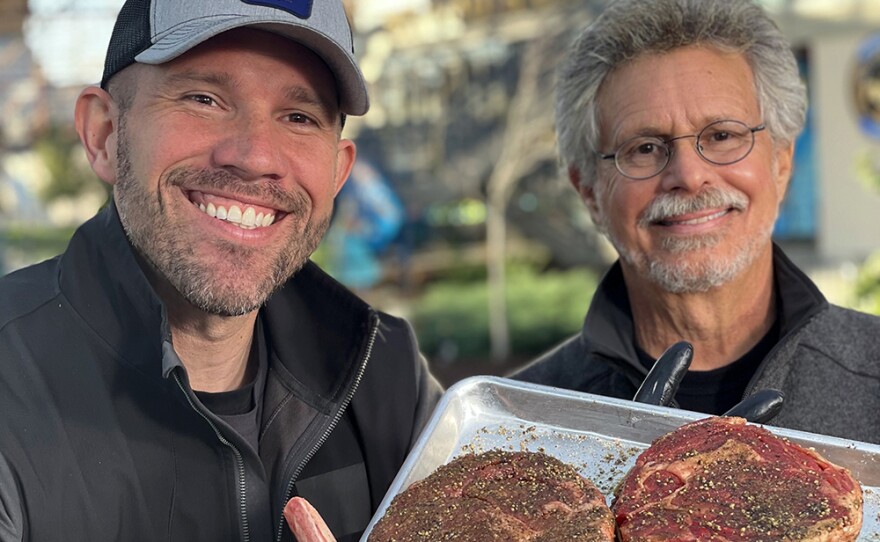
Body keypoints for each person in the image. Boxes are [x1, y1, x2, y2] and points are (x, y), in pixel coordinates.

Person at [0, 1, 442, 541]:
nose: (255, 155)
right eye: (204, 99)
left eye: (298, 117)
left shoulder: (384, 371)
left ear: (337, 172)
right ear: (105, 134)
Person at [512, 0, 880, 445]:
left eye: (722, 136)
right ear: (589, 192)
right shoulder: (521, 430)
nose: (687, 176)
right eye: (645, 148)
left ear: (782, 163)